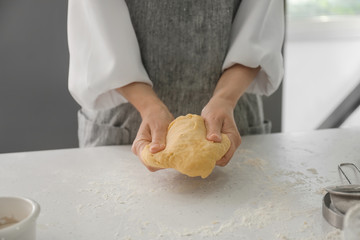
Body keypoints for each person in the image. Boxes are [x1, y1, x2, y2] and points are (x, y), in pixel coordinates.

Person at [67, 0, 285, 171]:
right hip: (124, 121)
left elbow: (260, 29)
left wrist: (225, 99)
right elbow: (97, 32)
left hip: (231, 119)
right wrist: (149, 107)